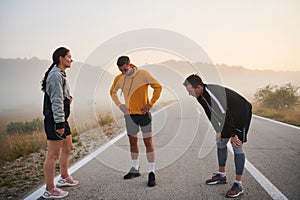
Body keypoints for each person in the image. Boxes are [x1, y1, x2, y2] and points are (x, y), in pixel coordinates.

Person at [183, 74, 252, 198]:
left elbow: (224, 112)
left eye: (190, 91)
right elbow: (210, 113)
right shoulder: (200, 96)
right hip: (228, 116)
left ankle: (238, 184)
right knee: (220, 142)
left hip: (241, 114)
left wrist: (233, 135)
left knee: (237, 146)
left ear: (198, 87)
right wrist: (218, 130)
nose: (189, 94)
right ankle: (221, 175)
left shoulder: (213, 93)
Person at [110, 56, 162, 187]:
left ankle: (152, 172)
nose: (123, 73)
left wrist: (151, 103)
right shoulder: (119, 78)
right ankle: (135, 169)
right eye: (121, 70)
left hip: (144, 114)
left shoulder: (143, 74)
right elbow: (112, 92)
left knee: (148, 142)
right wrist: (120, 105)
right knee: (132, 142)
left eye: (125, 70)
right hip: (130, 116)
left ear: (130, 64)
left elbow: (158, 87)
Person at [41, 47, 79, 199]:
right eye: (69, 57)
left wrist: (68, 100)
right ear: (61, 59)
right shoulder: (55, 75)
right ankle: (49, 189)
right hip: (55, 120)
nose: (71, 59)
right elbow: (55, 101)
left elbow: (60, 96)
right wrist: (59, 124)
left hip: (61, 118)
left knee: (68, 147)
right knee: (53, 154)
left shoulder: (61, 74)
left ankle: (64, 177)